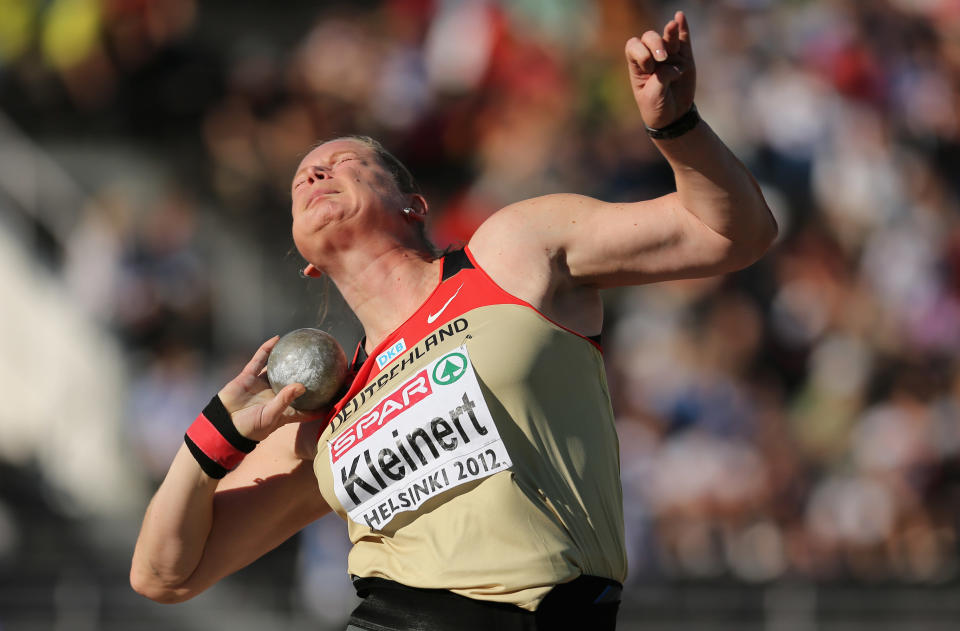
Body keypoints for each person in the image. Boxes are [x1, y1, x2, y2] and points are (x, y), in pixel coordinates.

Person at [130, 11, 777, 630]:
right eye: (303, 177)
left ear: (413, 204)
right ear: (308, 265)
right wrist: (218, 432)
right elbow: (163, 573)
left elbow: (730, 234)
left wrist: (677, 127)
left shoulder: (511, 251)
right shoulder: (327, 409)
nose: (317, 172)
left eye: (345, 163)